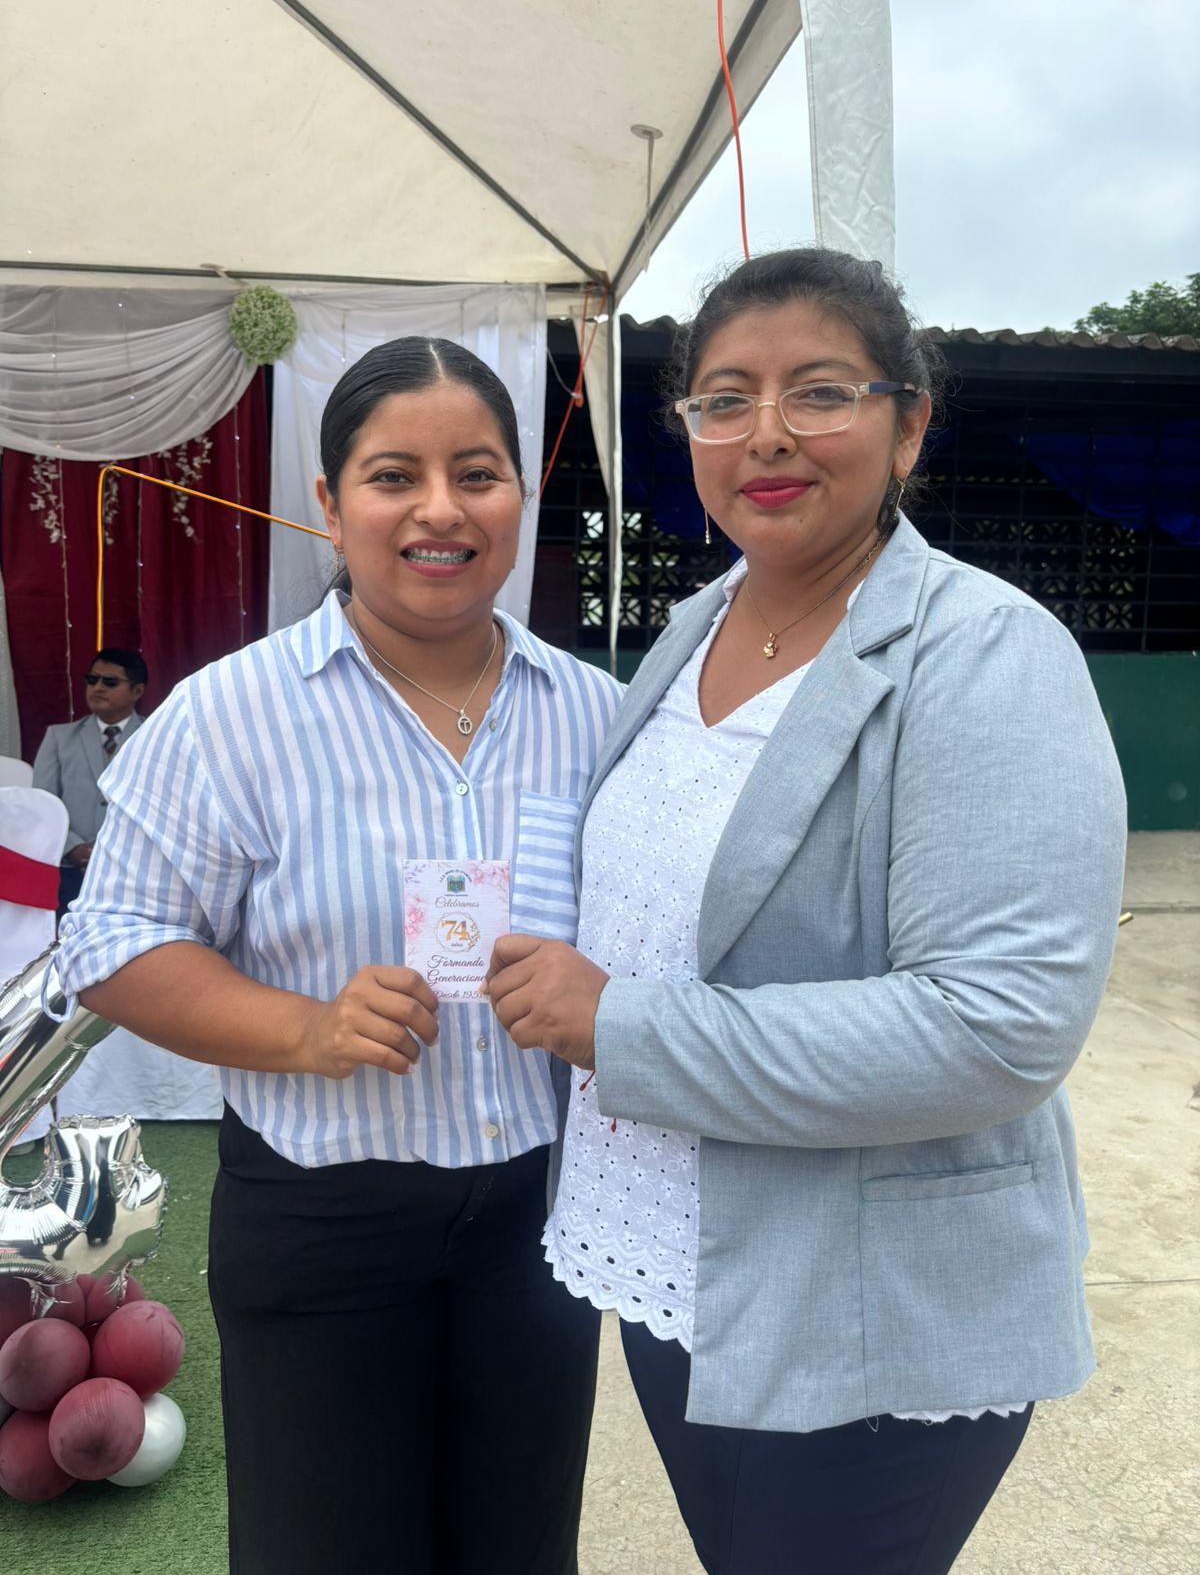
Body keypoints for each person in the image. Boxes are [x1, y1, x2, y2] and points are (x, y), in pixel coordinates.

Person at [485, 249, 1127, 1575]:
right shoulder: (692, 627)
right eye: (724, 400)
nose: (766, 434)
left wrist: (620, 1026)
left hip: (869, 1318)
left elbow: (996, 1028)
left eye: (820, 392)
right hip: (675, 1268)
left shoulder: (984, 652)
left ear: (910, 424)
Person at [55, 337, 622, 1575]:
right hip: (323, 1222)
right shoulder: (232, 714)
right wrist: (305, 1028)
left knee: (520, 1549)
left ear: (521, 494)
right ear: (329, 501)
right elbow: (110, 940)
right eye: (392, 475)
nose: (440, 509)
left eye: (477, 473)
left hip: (536, 1221)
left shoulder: (594, 714)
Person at [32, 647, 146, 913]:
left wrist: (118, 851)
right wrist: (72, 847)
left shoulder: (154, 736)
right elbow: (43, 804)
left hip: (134, 871)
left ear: (137, 691)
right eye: (92, 679)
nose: (98, 687)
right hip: (68, 871)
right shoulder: (58, 737)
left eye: (110, 682)